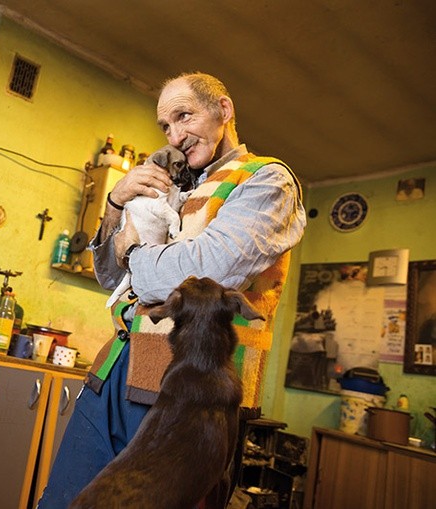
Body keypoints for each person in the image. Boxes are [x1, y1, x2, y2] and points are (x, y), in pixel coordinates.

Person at [39, 72, 306, 508]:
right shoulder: (173, 180)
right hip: (113, 369)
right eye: (165, 126)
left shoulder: (266, 181)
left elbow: (206, 272)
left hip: (193, 392)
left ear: (224, 110)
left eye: (185, 116)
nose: (175, 136)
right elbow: (110, 277)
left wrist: (133, 252)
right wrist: (114, 205)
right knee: (64, 502)